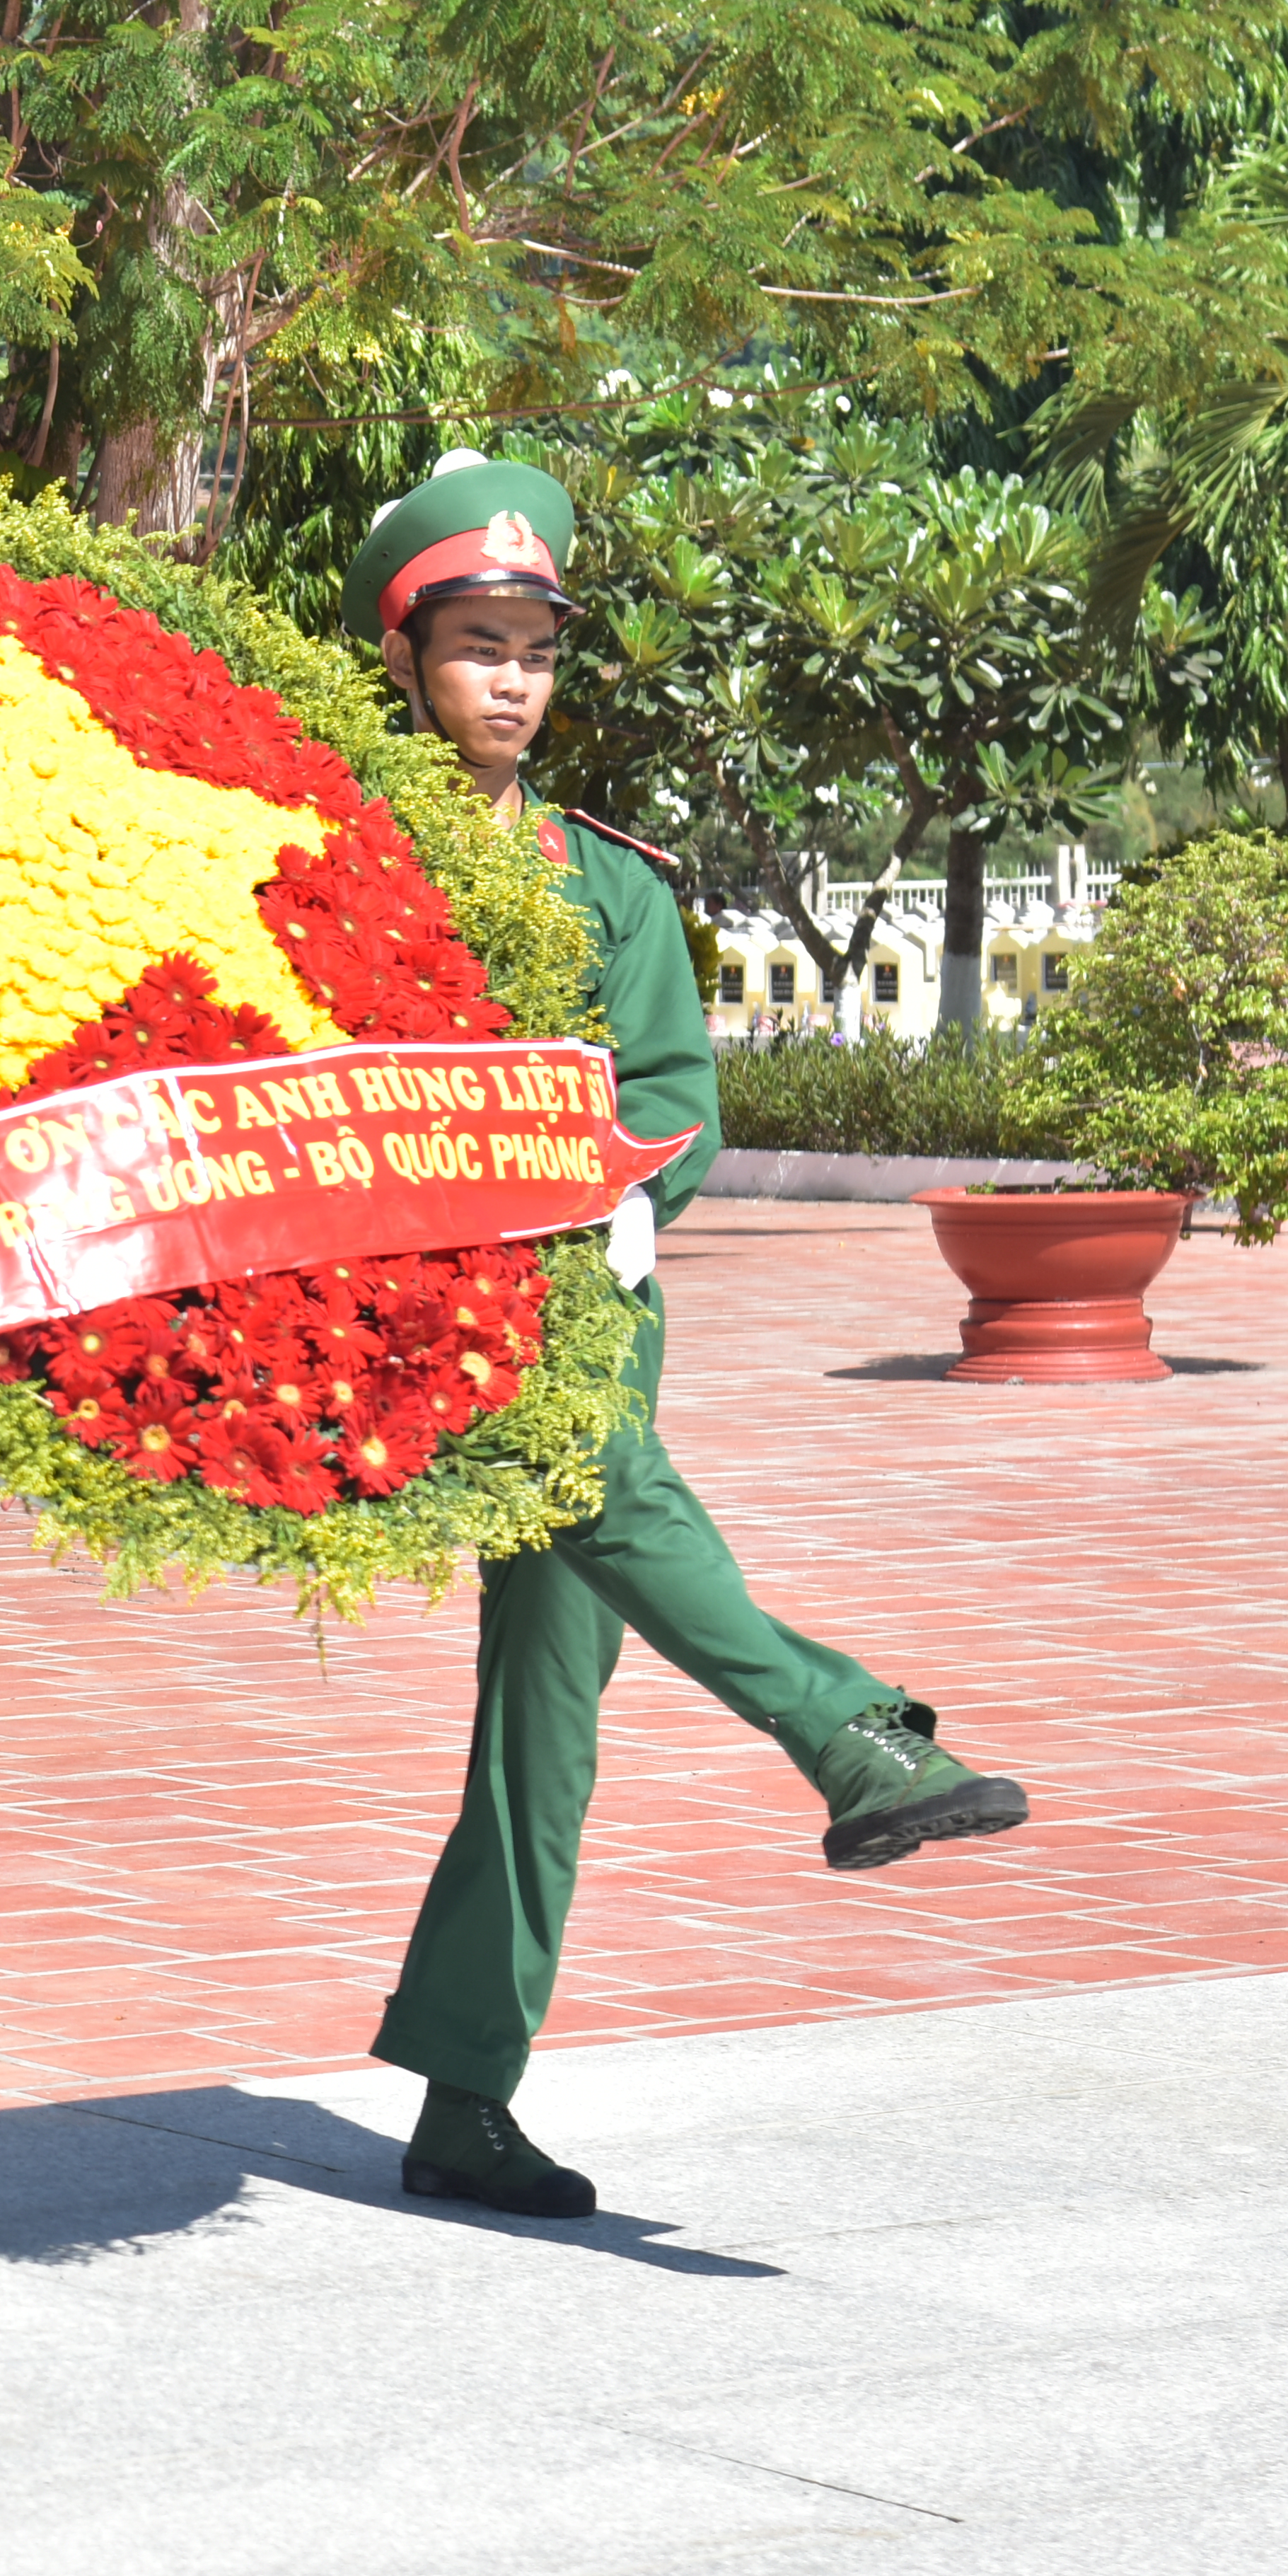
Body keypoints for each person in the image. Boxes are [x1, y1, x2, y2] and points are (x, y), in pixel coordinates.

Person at [350, 454, 1032, 2219]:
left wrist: (581, 1183)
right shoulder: (341, 855)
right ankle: (853, 1737)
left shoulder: (611, 886)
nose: (508, 678)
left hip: (589, 1303)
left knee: (544, 1718)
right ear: (405, 654)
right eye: (474, 643)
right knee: (608, 1516)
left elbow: (670, 1098)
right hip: (418, 1322)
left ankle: (462, 2095)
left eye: (533, 648)